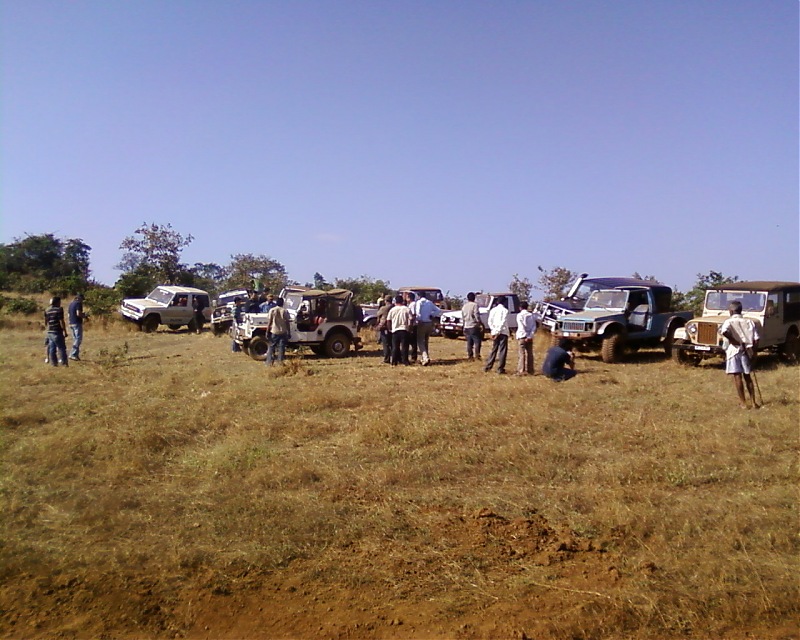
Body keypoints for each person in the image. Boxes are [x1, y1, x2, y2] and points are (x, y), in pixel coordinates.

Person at [719, 301, 761, 409]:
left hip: (734, 351)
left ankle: (743, 403)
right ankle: (753, 402)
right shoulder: (749, 322)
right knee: (748, 376)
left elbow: (724, 331)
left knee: (737, 376)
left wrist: (733, 340)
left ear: (731, 311)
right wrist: (754, 352)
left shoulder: (729, 321)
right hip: (746, 351)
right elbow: (756, 339)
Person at [412, 292, 441, 366]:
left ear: (419, 296)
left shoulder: (419, 303)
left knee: (420, 341)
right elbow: (438, 310)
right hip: (429, 323)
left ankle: (425, 357)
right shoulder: (429, 302)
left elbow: (418, 313)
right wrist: (432, 315)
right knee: (426, 341)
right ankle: (425, 357)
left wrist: (418, 320)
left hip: (422, 323)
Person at [483, 298, 509, 374]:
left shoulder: (493, 310)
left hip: (494, 332)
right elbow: (503, 322)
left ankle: (488, 366)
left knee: (494, 350)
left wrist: (494, 331)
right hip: (503, 332)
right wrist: (498, 331)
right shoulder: (505, 310)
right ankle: (500, 368)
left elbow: (489, 321)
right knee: (502, 351)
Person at [387, 294, 413, 366]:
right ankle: (405, 361)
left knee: (395, 347)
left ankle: (394, 361)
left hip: (395, 330)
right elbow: (411, 319)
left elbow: (388, 320)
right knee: (405, 347)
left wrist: (390, 329)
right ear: (402, 301)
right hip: (404, 329)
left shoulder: (392, 310)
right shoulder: (406, 309)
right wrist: (410, 329)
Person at [265, 297, 291, 366]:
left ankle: (269, 362)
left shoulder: (272, 310)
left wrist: (267, 331)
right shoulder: (285, 311)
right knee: (281, 347)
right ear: (282, 303)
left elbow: (269, 322)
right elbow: (287, 322)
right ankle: (280, 362)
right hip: (283, 331)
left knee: (271, 346)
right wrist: (289, 332)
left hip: (274, 331)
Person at [515, 301, 539, 375]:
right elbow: (534, 327)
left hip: (522, 335)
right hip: (529, 336)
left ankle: (521, 370)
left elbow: (521, 326)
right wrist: (529, 336)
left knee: (522, 353)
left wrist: (525, 335)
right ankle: (530, 370)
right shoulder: (531, 315)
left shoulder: (519, 315)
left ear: (520, 308)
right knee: (530, 353)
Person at [44, 296, 68, 367]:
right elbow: (61, 321)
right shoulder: (59, 309)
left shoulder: (47, 310)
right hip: (57, 331)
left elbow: (46, 322)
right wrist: (65, 331)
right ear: (57, 302)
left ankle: (54, 363)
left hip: (50, 331)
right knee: (61, 348)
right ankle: (64, 363)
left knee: (52, 348)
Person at [461, 292, 483, 360]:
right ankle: (477, 355)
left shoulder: (464, 306)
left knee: (469, 342)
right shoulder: (475, 305)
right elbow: (476, 315)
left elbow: (463, 316)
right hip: (473, 325)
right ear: (474, 298)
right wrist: (480, 323)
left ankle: (470, 356)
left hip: (466, 326)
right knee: (477, 341)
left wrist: (463, 326)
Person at [67, 293, 86, 361]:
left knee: (75, 339)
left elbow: (69, 314)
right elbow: (78, 313)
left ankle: (76, 355)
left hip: (71, 322)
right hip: (77, 323)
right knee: (78, 339)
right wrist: (84, 316)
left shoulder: (71, 304)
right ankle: (72, 354)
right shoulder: (78, 304)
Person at [375, 295, 393, 364]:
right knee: (392, 344)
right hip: (392, 327)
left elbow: (378, 314)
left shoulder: (384, 308)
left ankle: (386, 359)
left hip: (384, 327)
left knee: (385, 344)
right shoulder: (393, 307)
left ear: (385, 301)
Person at [403, 291, 418, 362]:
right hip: (412, 324)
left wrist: (410, 326)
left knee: (413, 342)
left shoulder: (412, 305)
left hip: (412, 325)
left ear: (409, 298)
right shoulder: (411, 304)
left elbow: (413, 315)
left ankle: (413, 356)